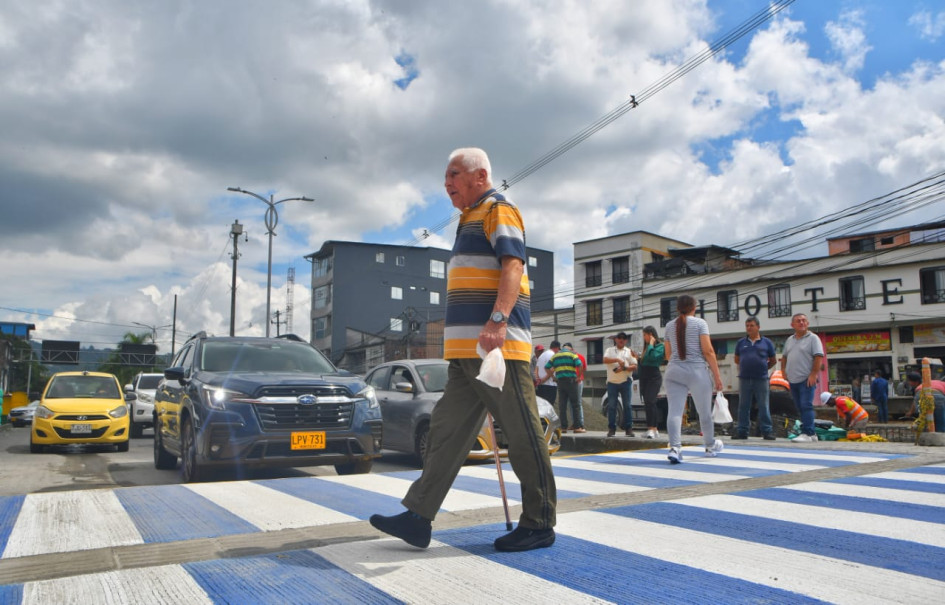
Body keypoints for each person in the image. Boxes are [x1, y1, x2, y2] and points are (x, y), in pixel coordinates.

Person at [370, 147, 556, 553]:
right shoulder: (467, 219)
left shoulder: (497, 210)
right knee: (446, 432)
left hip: (496, 348)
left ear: (480, 175)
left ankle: (539, 522)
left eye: (454, 175)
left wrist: (498, 321)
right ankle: (419, 516)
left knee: (523, 431)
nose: (447, 184)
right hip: (464, 353)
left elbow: (513, 266)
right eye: (445, 178)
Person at [663, 295, 724, 463]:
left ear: (677, 308)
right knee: (704, 412)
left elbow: (668, 354)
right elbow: (708, 351)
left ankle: (675, 448)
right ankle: (710, 446)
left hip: (674, 371)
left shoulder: (669, 326)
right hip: (697, 371)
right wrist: (717, 377)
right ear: (694, 307)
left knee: (674, 412)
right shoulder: (700, 324)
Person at [780, 313, 824, 443]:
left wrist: (813, 374)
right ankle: (811, 433)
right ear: (792, 325)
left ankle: (808, 433)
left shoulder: (813, 338)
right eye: (798, 321)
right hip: (793, 379)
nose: (802, 323)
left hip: (806, 378)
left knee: (806, 405)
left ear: (808, 323)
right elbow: (784, 357)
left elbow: (818, 357)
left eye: (804, 320)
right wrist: (783, 370)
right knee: (799, 407)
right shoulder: (790, 340)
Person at [732, 317, 777, 440]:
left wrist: (763, 368)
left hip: (761, 379)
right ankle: (742, 431)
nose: (749, 328)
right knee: (743, 406)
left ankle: (767, 431)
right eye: (747, 326)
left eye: (751, 325)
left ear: (758, 327)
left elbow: (773, 360)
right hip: (745, 379)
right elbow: (737, 359)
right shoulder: (741, 343)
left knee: (763, 405)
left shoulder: (766, 342)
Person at [602, 331, 637, 437]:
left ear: (626, 340)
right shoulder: (609, 350)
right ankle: (611, 429)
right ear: (616, 339)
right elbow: (605, 360)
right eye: (619, 338)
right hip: (612, 382)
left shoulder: (629, 351)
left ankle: (629, 429)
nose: (621, 340)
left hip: (626, 381)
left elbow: (635, 365)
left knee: (627, 405)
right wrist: (617, 359)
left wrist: (624, 368)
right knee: (612, 406)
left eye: (624, 338)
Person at [547, 343, 584, 433]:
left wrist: (553, 377)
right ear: (570, 349)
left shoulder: (556, 356)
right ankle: (577, 427)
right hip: (571, 381)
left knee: (562, 406)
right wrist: (578, 377)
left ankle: (563, 427)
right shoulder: (572, 354)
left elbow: (547, 367)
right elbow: (580, 365)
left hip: (560, 382)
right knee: (575, 405)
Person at [638, 326, 664, 439]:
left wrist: (651, 345)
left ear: (651, 334)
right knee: (647, 402)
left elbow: (653, 357)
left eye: (645, 335)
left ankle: (653, 428)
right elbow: (645, 361)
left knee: (651, 401)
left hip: (654, 377)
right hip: (645, 377)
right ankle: (652, 428)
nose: (644, 338)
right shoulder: (647, 347)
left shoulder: (659, 346)